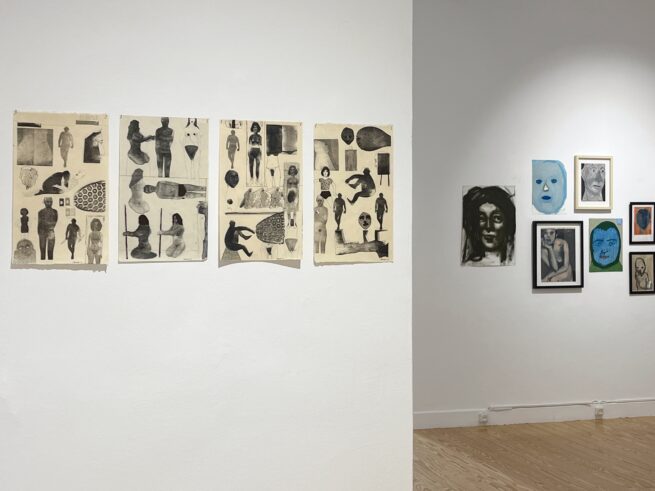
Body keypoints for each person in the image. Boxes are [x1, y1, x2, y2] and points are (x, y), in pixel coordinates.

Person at [461, 186, 516, 266]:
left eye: (497, 218)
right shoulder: (468, 265)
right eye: (481, 218)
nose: (488, 226)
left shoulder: (512, 261)